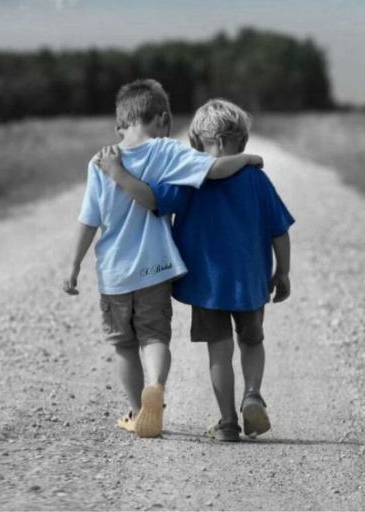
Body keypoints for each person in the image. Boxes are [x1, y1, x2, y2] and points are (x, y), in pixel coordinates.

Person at [63, 81, 264, 439]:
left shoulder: (100, 161)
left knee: (124, 346)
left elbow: (88, 220)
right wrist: (247, 159)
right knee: (155, 339)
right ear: (162, 118)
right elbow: (215, 169)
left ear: (120, 125)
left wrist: (74, 265)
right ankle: (155, 384)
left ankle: (139, 411)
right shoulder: (167, 152)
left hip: (114, 274)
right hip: (156, 269)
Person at [96, 98, 294, 442]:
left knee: (219, 349)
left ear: (199, 141)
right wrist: (283, 272)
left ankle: (228, 422)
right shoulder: (256, 180)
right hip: (250, 280)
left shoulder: (189, 177)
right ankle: (252, 394)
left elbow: (153, 201)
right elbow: (280, 230)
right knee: (252, 341)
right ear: (241, 141)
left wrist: (119, 174)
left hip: (208, 285)